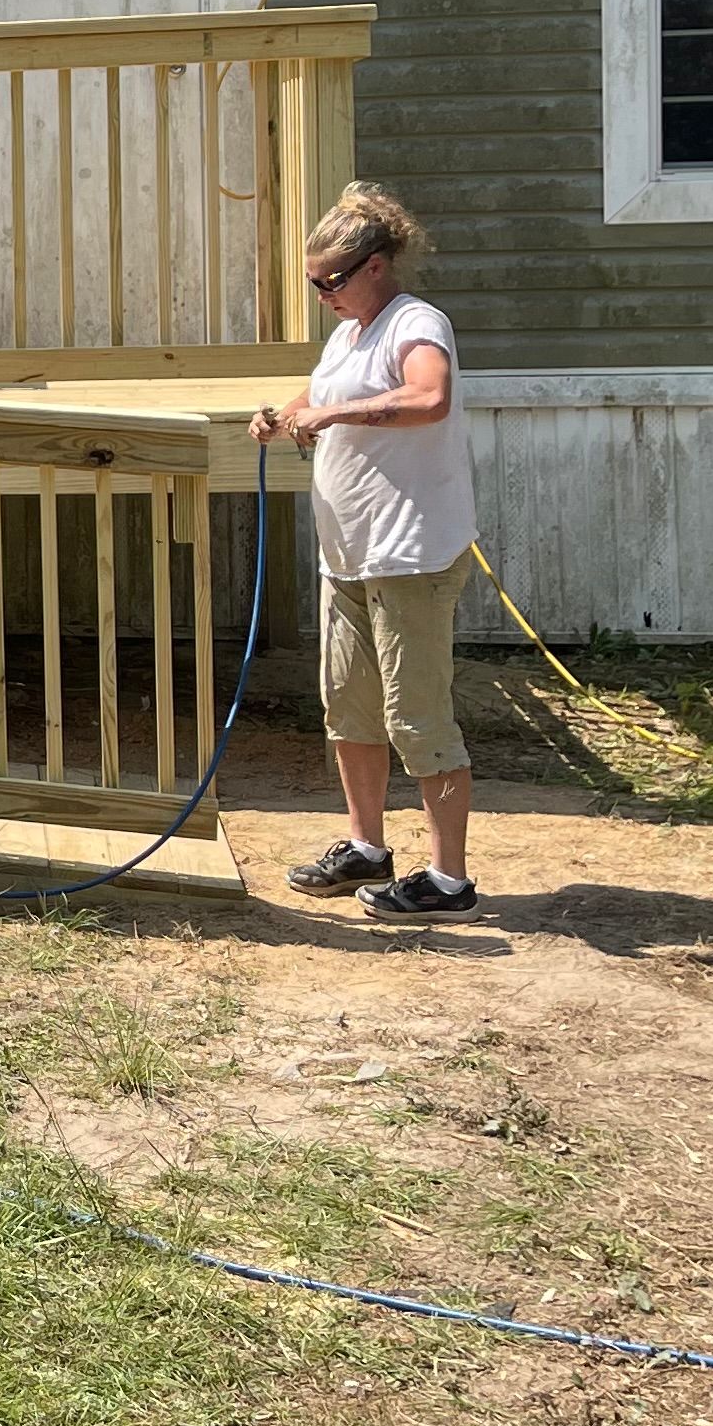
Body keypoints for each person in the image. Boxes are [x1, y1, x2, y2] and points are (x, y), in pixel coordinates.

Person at [249, 185, 483, 920]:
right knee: (348, 709)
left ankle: (448, 881)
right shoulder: (349, 333)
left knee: (417, 717)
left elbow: (428, 399)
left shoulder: (417, 324)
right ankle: (366, 848)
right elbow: (322, 392)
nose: (322, 294)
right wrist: (284, 414)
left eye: (333, 281)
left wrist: (331, 412)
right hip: (349, 556)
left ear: (377, 265)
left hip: (409, 554)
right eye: (313, 283)